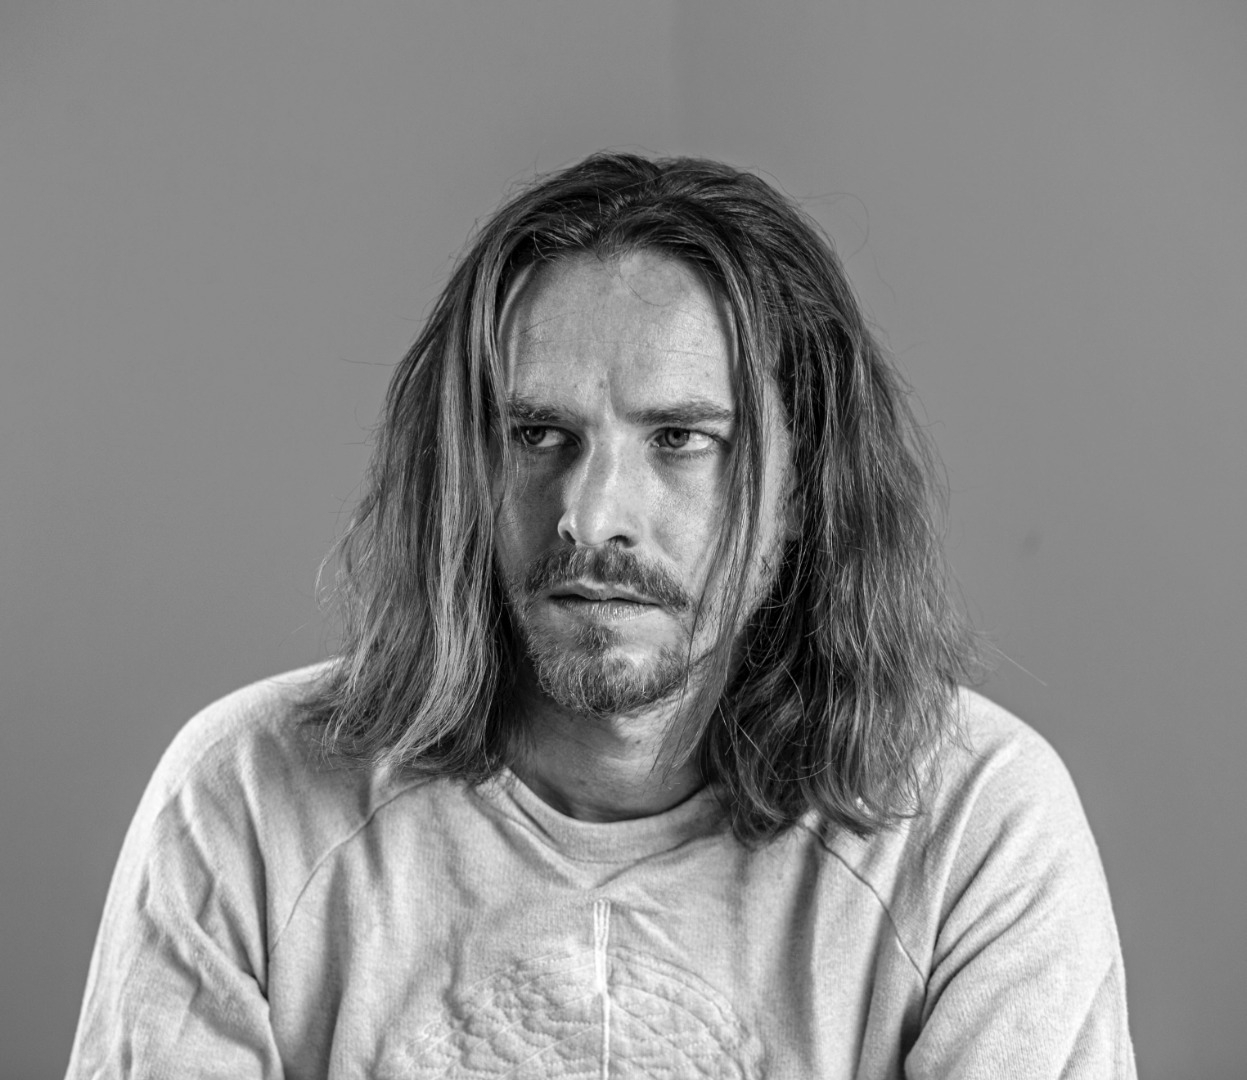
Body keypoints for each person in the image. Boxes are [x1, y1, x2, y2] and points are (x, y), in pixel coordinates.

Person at [66, 152, 1136, 1078]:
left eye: (680, 440)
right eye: (538, 434)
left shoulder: (971, 828)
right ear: (461, 466)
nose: (589, 516)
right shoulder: (246, 804)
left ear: (805, 475)